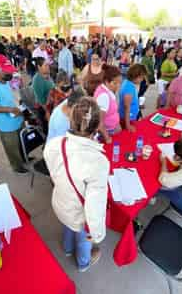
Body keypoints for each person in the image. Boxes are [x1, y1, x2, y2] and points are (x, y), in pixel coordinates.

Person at [44, 97, 109, 273]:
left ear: (71, 120)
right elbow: (95, 206)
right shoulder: (98, 161)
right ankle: (83, 263)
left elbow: (53, 172)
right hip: (80, 214)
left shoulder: (53, 144)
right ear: (96, 128)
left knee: (67, 226)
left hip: (60, 202)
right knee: (83, 239)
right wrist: (96, 234)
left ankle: (67, 249)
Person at [0, 55, 27, 174]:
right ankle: (17, 166)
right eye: (6, 71)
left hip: (17, 117)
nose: (9, 74)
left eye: (10, 70)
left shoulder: (5, 79)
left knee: (21, 141)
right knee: (12, 147)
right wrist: (10, 110)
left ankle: (24, 157)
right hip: (6, 124)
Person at [94, 65, 122, 143]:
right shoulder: (104, 96)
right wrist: (107, 138)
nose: (118, 85)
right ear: (107, 81)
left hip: (113, 129)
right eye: (115, 83)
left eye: (119, 82)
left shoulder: (106, 89)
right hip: (108, 133)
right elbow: (99, 121)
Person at [118, 64, 147, 132]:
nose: (142, 80)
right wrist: (128, 126)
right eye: (142, 77)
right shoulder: (129, 87)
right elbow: (126, 107)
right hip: (128, 120)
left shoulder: (128, 83)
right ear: (136, 76)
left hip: (129, 118)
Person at [32, 57, 55, 133]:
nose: (48, 67)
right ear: (39, 67)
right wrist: (48, 112)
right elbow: (41, 100)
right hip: (44, 109)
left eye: (48, 65)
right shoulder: (37, 80)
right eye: (45, 65)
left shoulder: (47, 75)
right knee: (48, 130)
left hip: (51, 106)